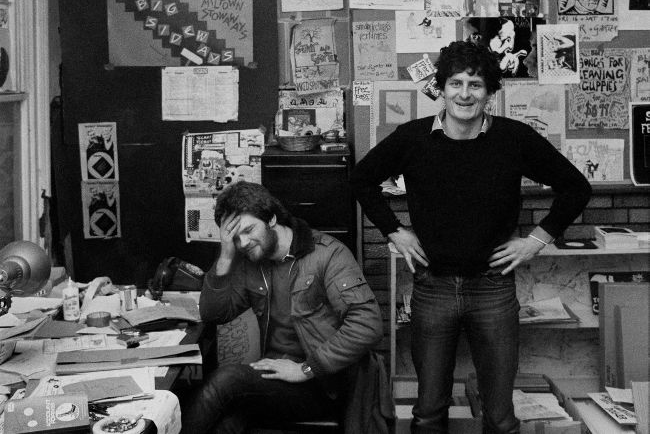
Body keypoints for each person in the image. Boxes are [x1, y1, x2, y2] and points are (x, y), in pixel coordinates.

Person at [350, 40, 591, 434]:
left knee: (500, 415)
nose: (465, 94)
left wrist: (536, 240)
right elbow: (361, 180)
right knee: (428, 410)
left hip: (493, 289)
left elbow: (576, 187)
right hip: (432, 288)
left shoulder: (514, 138)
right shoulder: (413, 138)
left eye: (475, 84)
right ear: (442, 88)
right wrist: (395, 231)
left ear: (489, 92)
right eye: (456, 83)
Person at [181, 182, 383, 434]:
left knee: (225, 380)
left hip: (322, 383)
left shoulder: (327, 255)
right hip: (276, 376)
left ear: (272, 218)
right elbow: (213, 314)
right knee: (226, 423)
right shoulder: (251, 262)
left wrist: (306, 369)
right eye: (235, 238)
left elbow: (368, 325)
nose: (243, 242)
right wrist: (225, 256)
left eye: (249, 230)